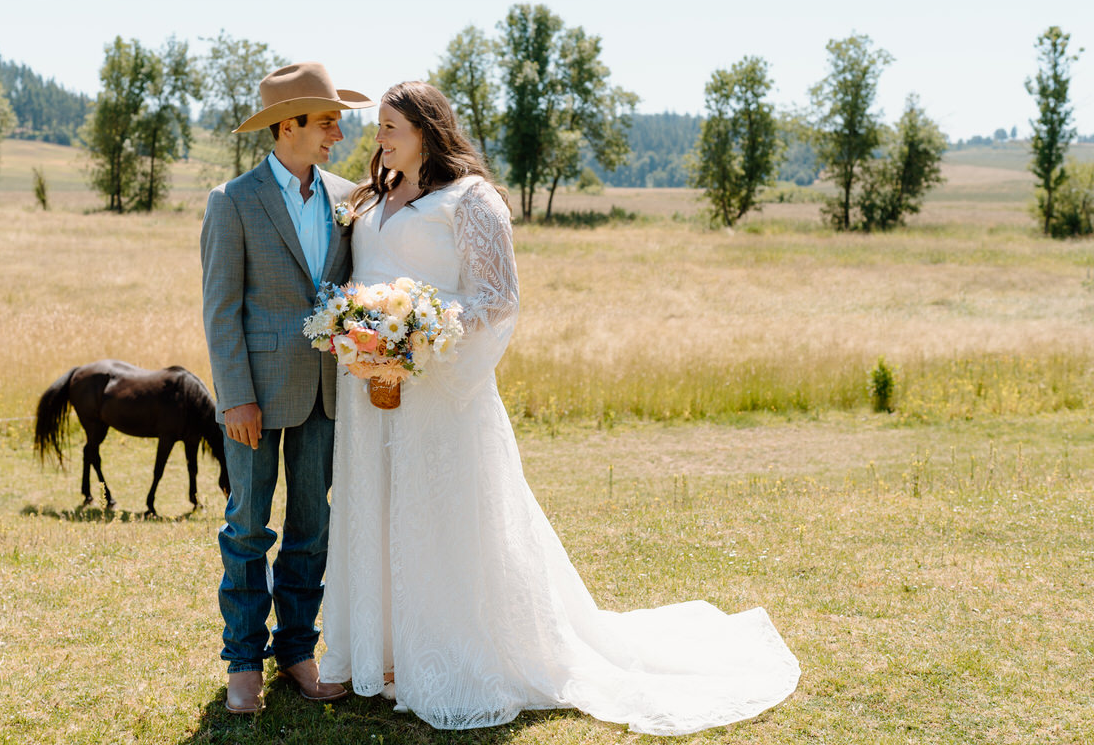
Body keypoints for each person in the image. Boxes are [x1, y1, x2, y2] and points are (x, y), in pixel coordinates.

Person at [318, 81, 800, 735]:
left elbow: (498, 297)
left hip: (440, 392)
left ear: (428, 129)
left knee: (441, 515)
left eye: (392, 127)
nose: (380, 139)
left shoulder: (471, 199)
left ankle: (452, 656)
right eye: (379, 127)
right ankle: (383, 654)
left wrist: (420, 334)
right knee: (377, 507)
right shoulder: (367, 197)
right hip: (369, 391)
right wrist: (359, 331)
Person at [199, 61, 373, 715]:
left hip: (326, 392)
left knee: (311, 526)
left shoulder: (348, 197)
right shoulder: (232, 201)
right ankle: (243, 660)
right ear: (289, 124)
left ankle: (297, 652)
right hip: (254, 397)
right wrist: (235, 395)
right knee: (247, 527)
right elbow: (221, 310)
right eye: (328, 121)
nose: (337, 132)